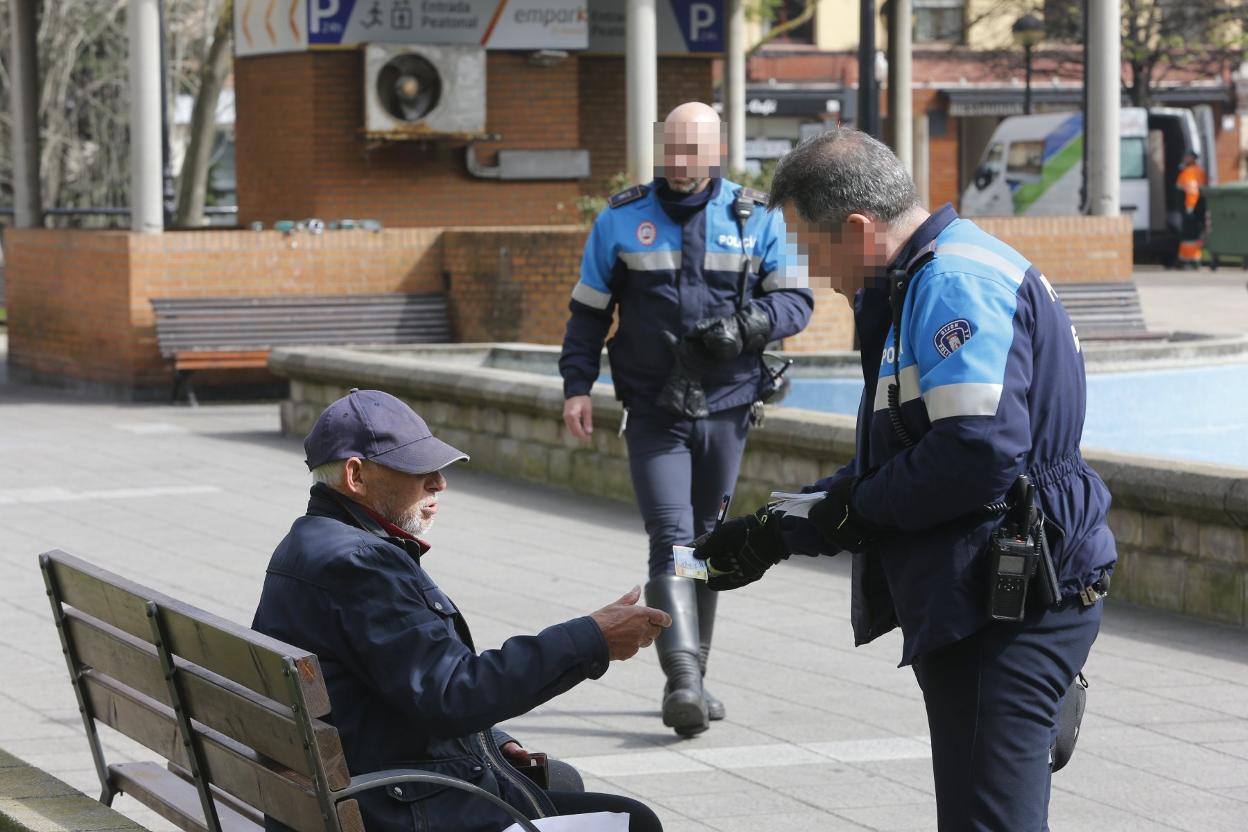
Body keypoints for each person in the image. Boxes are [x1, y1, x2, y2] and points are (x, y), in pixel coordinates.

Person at [694, 128, 1116, 830]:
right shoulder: (934, 273)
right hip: (996, 590)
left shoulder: (951, 283)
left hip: (1005, 605)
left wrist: (848, 515)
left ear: (858, 229)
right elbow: (906, 454)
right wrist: (785, 527)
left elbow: (976, 451)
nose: (815, 274)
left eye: (811, 247)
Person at [252, 389, 669, 832]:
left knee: (561, 780)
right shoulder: (358, 563)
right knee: (634, 823)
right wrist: (592, 638)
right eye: (419, 469)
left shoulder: (311, 543)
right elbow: (453, 695)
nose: (439, 482)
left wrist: (493, 742)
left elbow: (398, 683)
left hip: (357, 789)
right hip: (388, 808)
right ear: (356, 475)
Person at [559, 101, 814, 737]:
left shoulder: (755, 219)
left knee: (709, 540)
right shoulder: (622, 218)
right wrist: (576, 387)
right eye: (669, 151)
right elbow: (589, 313)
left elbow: (796, 301)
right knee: (672, 537)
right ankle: (681, 682)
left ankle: (694, 676)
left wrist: (746, 326)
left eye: (690, 153)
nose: (677, 164)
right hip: (653, 404)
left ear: (715, 153)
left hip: (728, 405)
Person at [1176, 151, 1208, 270]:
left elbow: (1192, 191)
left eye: (1186, 157)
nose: (1184, 159)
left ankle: (1192, 260)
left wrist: (1189, 208)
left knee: (1189, 236)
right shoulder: (1197, 170)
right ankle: (1186, 259)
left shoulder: (1189, 172)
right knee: (1191, 236)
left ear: (1191, 158)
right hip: (1196, 208)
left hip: (1191, 209)